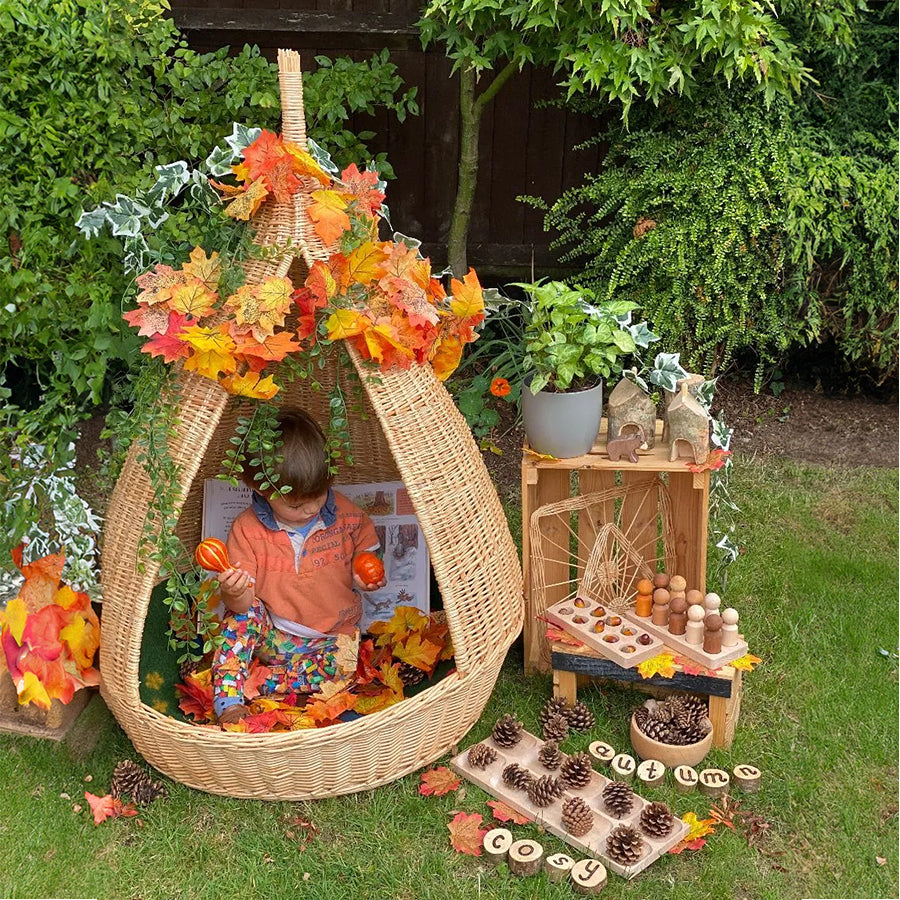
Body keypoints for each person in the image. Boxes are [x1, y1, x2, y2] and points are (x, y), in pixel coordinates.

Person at [211, 409, 386, 726]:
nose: (311, 508)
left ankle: (262, 682)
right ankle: (229, 698)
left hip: (330, 638)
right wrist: (233, 592)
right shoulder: (247, 530)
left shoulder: (346, 515)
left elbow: (367, 548)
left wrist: (364, 574)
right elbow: (243, 604)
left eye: (319, 495)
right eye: (295, 504)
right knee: (239, 618)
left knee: (346, 667)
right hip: (272, 633)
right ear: (262, 489)